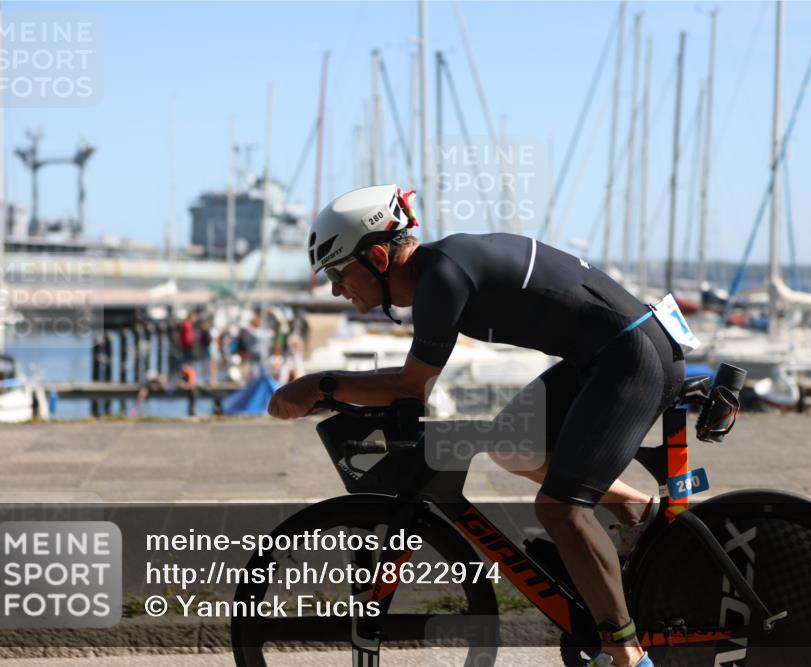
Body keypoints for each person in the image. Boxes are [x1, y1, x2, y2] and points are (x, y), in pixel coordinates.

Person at [267, 184, 685, 667]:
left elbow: (412, 387)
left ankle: (628, 656)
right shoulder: (439, 271)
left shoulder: (443, 278)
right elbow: (413, 384)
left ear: (378, 257)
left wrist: (320, 385)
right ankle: (636, 510)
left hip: (630, 358)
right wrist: (328, 388)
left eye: (337, 273)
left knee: (561, 511)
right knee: (510, 444)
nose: (335, 289)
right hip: (606, 354)